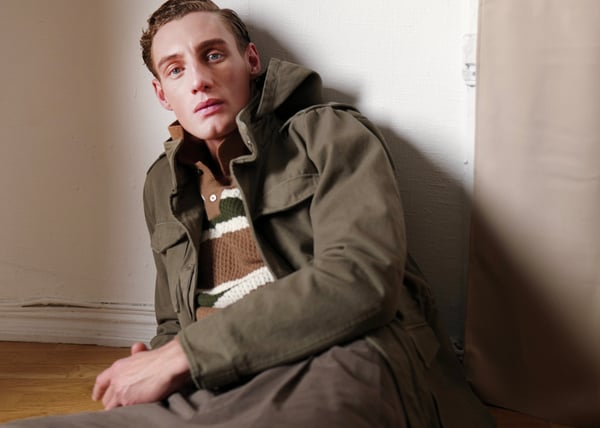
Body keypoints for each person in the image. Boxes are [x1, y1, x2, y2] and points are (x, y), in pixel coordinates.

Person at [5, 0, 494, 426]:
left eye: (213, 55)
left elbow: (361, 281)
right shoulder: (161, 183)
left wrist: (183, 354)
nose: (198, 80)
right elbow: (173, 322)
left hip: (339, 354)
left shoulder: (328, 134)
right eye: (175, 70)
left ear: (252, 60)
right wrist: (156, 360)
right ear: (161, 94)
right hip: (217, 378)